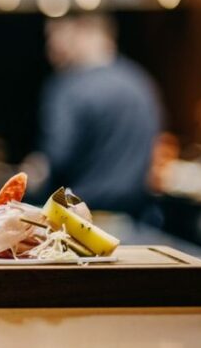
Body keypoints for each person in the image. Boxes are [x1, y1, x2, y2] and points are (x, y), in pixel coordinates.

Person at [26, 12, 161, 217]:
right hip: (134, 217)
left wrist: (29, 175)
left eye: (55, 35)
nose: (50, 47)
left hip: (81, 215)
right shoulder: (140, 81)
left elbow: (58, 158)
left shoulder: (69, 87)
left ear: (82, 30)